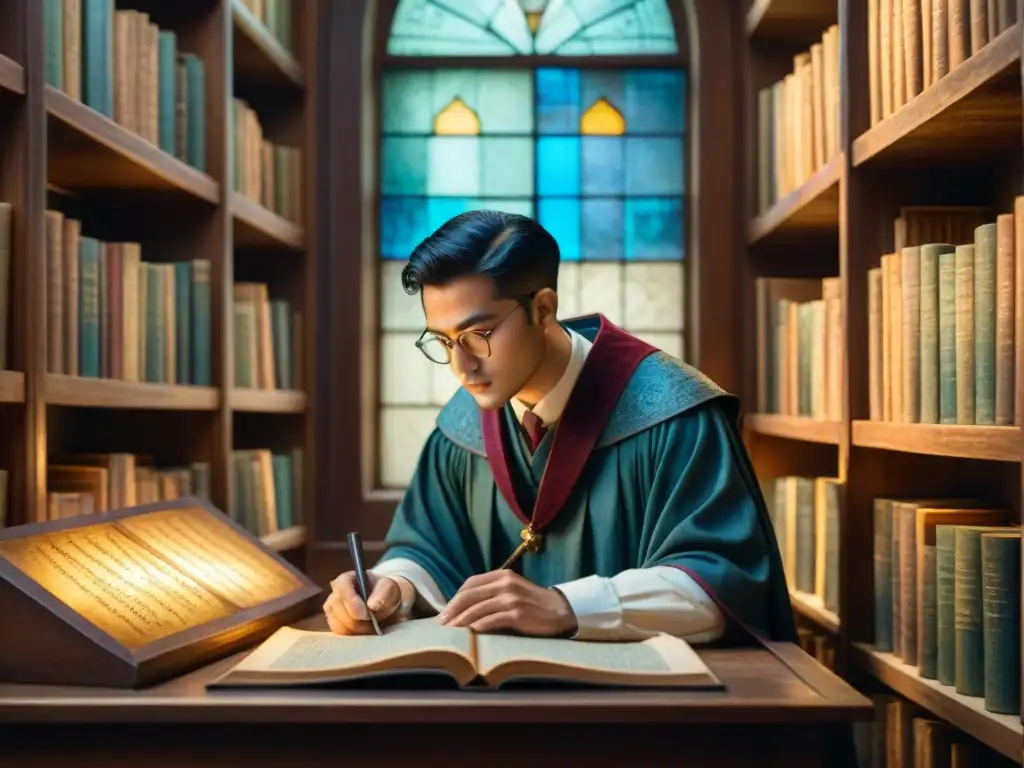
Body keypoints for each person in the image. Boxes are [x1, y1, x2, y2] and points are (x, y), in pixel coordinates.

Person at [323, 209, 796, 645]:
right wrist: (394, 587)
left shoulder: (675, 415)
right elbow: (429, 547)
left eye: (479, 335)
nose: (460, 365)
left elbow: (725, 584)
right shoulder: (461, 428)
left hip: (647, 717)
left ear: (544, 308)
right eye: (443, 341)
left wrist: (567, 607)